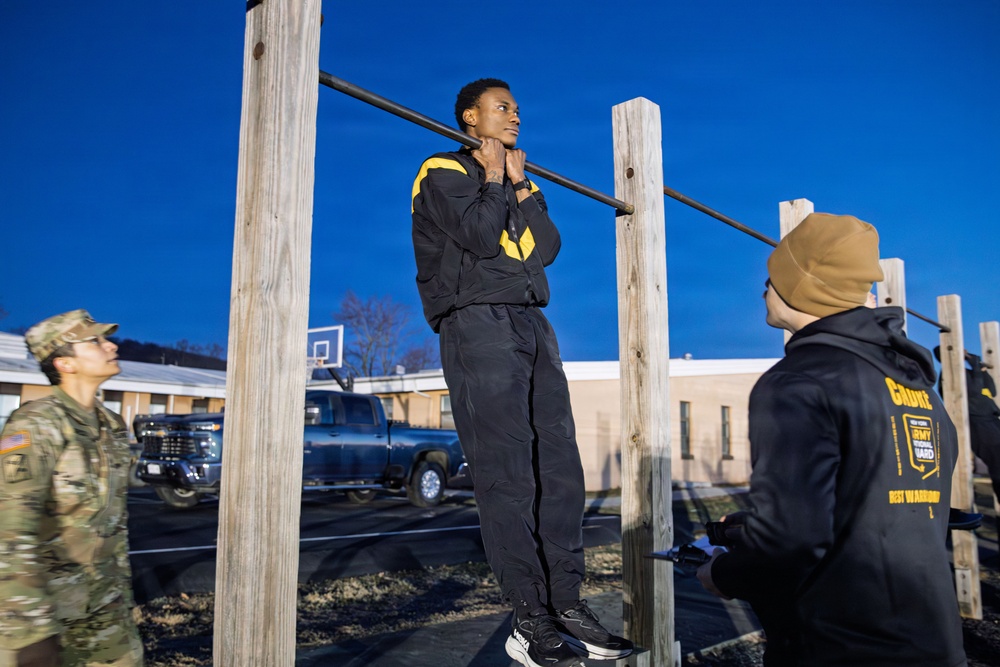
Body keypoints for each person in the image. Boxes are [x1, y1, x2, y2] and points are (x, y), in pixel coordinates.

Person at [410, 79, 631, 667]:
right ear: (470, 116)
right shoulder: (441, 170)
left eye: (516, 109)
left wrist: (520, 183)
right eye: (502, 108)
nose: (514, 117)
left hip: (531, 322)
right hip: (476, 323)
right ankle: (529, 618)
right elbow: (481, 237)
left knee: (558, 466)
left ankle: (566, 605)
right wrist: (489, 175)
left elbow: (547, 247)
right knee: (507, 469)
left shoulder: (509, 180)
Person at [695, 214, 966, 667]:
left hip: (838, 643)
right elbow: (890, 509)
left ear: (799, 286)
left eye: (772, 276)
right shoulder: (918, 389)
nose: (764, 287)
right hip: (931, 640)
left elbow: (791, 543)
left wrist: (724, 571)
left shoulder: (798, 382)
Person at [0, 310, 144, 667]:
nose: (110, 345)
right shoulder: (37, 424)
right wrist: (30, 634)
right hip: (44, 612)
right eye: (94, 341)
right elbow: (10, 528)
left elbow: (113, 522)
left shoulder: (111, 425)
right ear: (64, 362)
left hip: (105, 608)